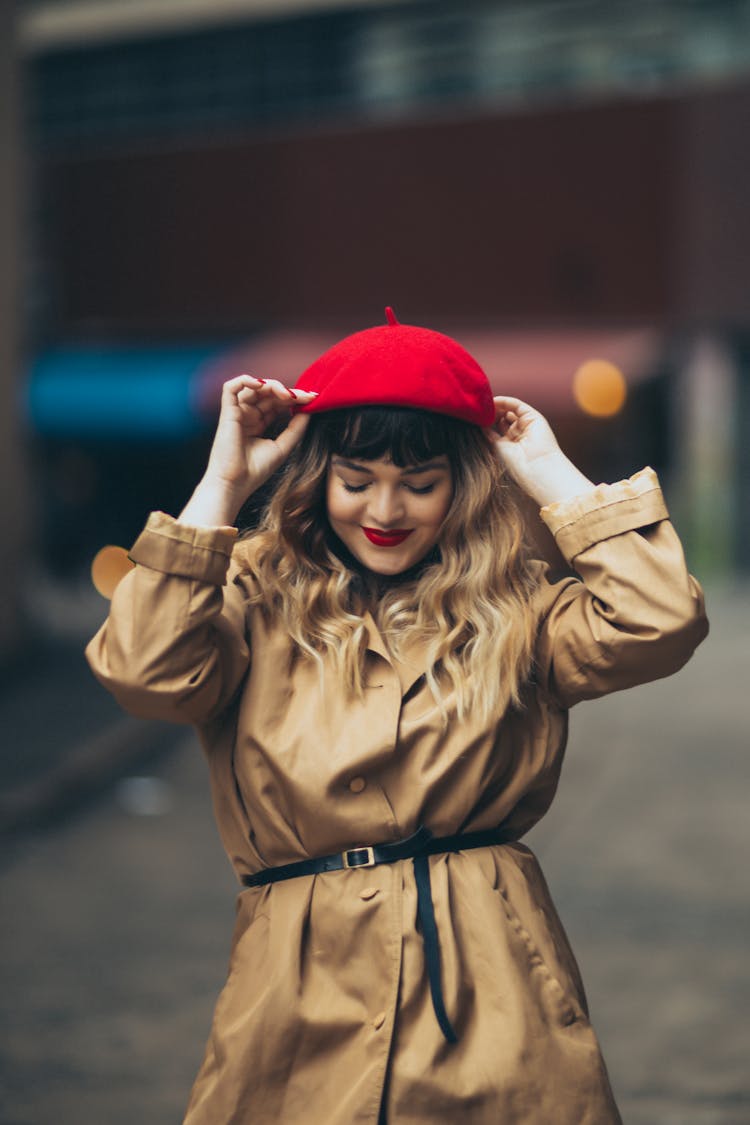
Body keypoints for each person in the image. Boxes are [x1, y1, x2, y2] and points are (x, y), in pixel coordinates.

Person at [86, 309, 708, 1124]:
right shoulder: (248, 596)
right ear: (318, 478)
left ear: (463, 485)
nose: (386, 508)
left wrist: (553, 473)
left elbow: (660, 621)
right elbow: (143, 671)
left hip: (489, 980)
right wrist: (224, 485)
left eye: (420, 484)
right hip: (295, 989)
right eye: (356, 479)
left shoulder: (520, 608)